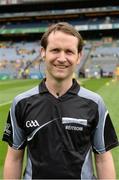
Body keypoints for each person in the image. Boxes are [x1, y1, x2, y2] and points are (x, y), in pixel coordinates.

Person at [2, 22, 119, 179]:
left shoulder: (95, 103)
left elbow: (103, 159)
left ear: (79, 57)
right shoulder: (21, 102)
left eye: (69, 52)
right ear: (43, 52)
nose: (62, 58)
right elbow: (14, 158)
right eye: (55, 50)